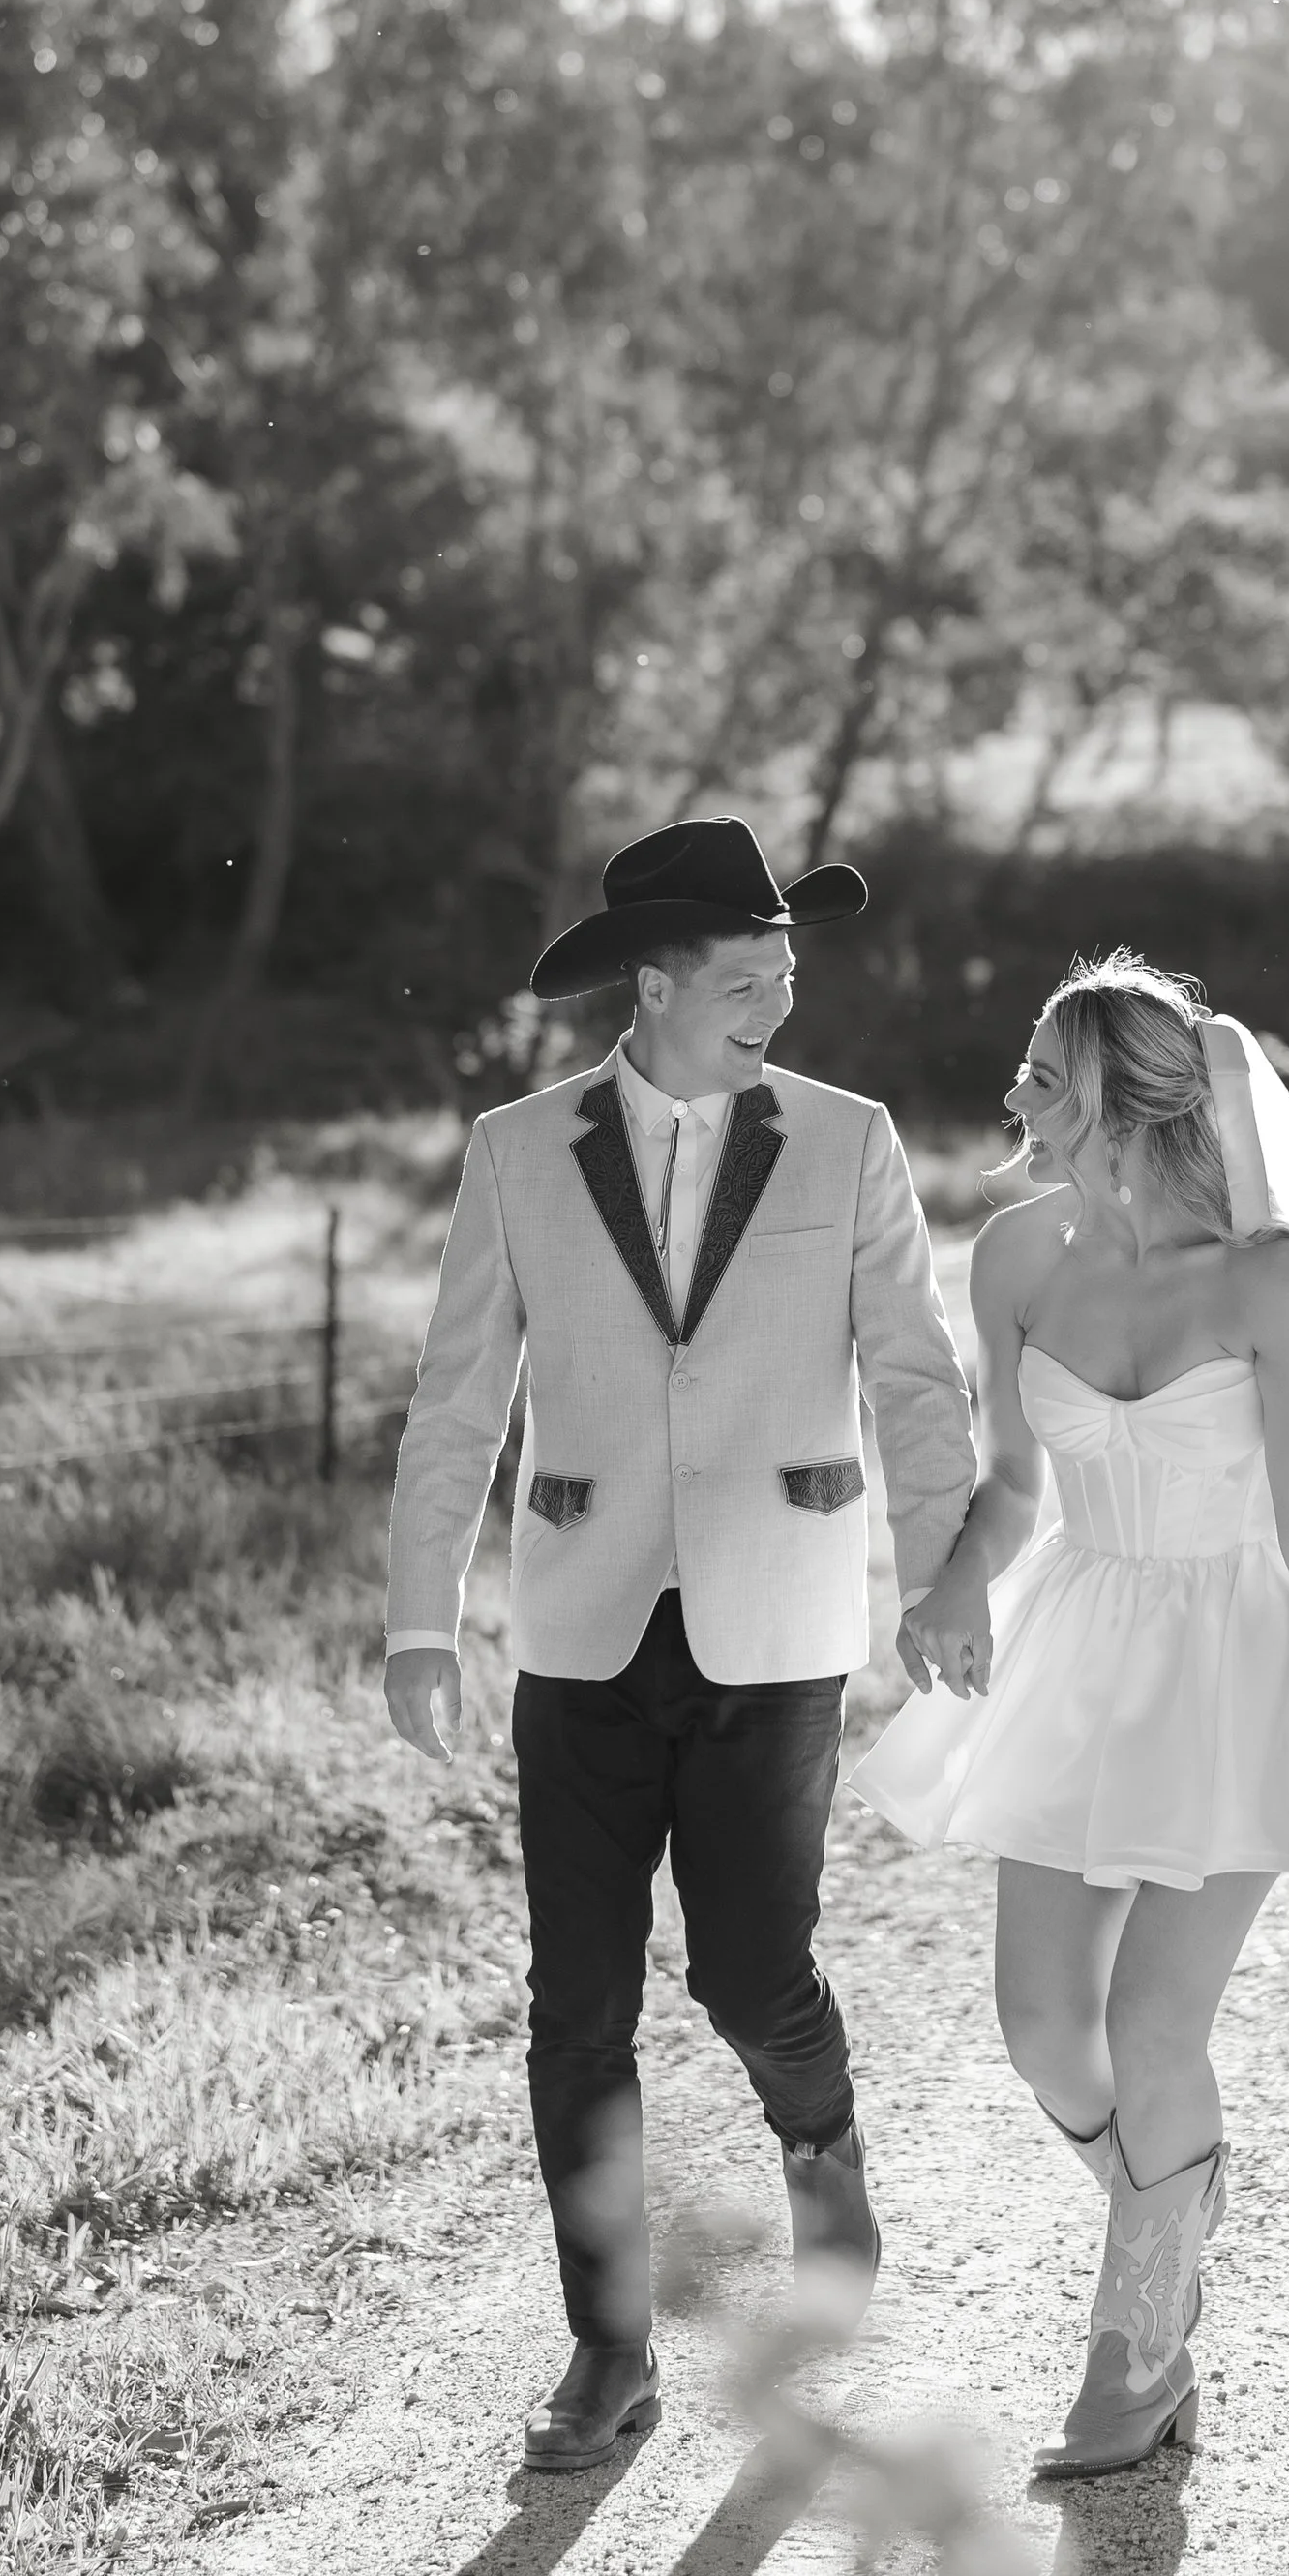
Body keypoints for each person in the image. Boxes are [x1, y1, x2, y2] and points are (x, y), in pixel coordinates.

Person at [383, 816, 976, 2473]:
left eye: (786, 974)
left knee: (749, 1973)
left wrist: (941, 1577)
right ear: (652, 987)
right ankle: (607, 2342)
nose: (780, 1004)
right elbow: (458, 1394)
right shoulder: (518, 1150)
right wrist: (422, 1613)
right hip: (581, 1624)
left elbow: (915, 1375)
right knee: (576, 2003)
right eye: (746, 980)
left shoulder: (848, 1139)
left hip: (777, 1622)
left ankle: (824, 2150)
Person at [852, 950, 1289, 2482]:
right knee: (1041, 2026)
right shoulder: (1013, 1256)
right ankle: (1172, 2196)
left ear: (1121, 1105)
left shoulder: (1269, 1281)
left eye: (1042, 1073)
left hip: (1240, 1663)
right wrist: (956, 1579)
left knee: (1151, 2023)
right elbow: (1014, 1480)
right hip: (1081, 1640)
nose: (1013, 1092)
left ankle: (1136, 2357)